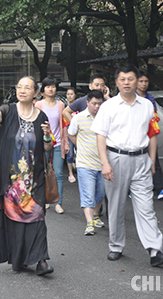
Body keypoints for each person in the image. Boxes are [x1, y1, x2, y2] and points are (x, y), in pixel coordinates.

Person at [92, 64, 163, 267]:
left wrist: (152, 162)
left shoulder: (146, 106)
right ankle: (116, 246)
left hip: (141, 160)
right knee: (117, 206)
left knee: (146, 207)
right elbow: (100, 136)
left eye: (130, 79)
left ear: (137, 81)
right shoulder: (108, 107)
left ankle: (155, 250)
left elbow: (152, 134)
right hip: (116, 159)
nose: (127, 82)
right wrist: (105, 164)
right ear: (117, 82)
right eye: (122, 79)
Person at [0, 76, 54, 276]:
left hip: (34, 179)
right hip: (11, 181)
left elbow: (47, 147)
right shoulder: (8, 109)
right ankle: (19, 258)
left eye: (27, 87)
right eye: (19, 87)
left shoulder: (41, 117)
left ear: (35, 93)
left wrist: (47, 135)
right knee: (14, 218)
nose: (22, 90)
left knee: (36, 216)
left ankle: (41, 260)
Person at [67, 90, 106, 236]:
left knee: (100, 193)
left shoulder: (106, 119)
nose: (97, 107)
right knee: (87, 193)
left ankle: (95, 215)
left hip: (102, 163)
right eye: (94, 103)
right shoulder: (79, 118)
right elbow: (71, 133)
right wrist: (79, 145)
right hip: (84, 163)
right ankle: (89, 223)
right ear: (87, 103)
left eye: (100, 104)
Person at [136, 70, 163, 200]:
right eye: (141, 81)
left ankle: (161, 188)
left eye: (146, 81)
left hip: (149, 134)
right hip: (135, 136)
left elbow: (154, 116)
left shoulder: (150, 98)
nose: (144, 84)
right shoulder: (131, 97)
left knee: (154, 160)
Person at [35, 77, 69, 214]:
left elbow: (63, 126)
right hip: (44, 143)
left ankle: (58, 203)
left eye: (53, 86)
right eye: (48, 86)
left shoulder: (60, 105)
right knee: (42, 172)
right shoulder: (38, 105)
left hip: (58, 144)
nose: (51, 89)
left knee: (59, 174)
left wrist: (66, 143)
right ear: (43, 90)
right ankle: (45, 199)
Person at [65, 88, 77, 183]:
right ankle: (70, 173)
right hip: (68, 133)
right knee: (70, 154)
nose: (69, 96)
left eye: (71, 94)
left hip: (79, 133)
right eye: (68, 94)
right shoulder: (65, 108)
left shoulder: (79, 107)